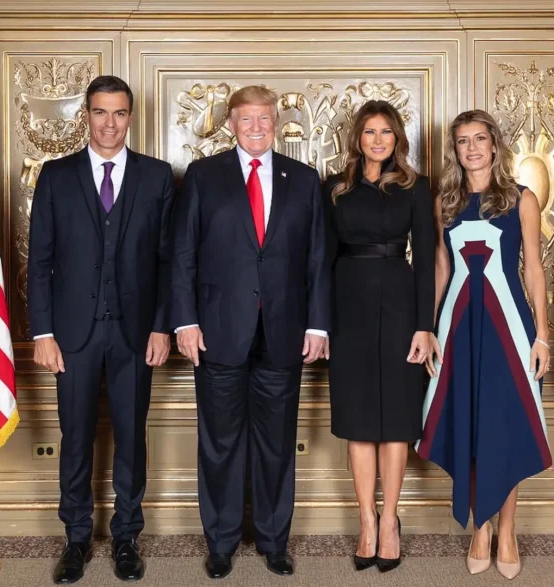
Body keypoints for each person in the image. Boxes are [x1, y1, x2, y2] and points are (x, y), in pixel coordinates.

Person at [170, 85, 330, 580]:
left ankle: (274, 541)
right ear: (231, 124)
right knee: (219, 444)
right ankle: (220, 543)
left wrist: (318, 324)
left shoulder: (304, 179)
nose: (256, 127)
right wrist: (185, 321)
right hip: (217, 331)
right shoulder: (203, 176)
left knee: (277, 444)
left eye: (264, 118)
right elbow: (182, 254)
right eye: (246, 119)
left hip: (284, 331)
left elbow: (318, 258)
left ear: (275, 124)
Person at [27, 75, 175, 584]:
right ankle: (76, 538)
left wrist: (162, 327)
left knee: (132, 437)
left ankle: (127, 536)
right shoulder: (56, 175)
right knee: (76, 437)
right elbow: (39, 261)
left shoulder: (157, 177)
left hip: (136, 332)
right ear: (85, 115)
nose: (109, 123)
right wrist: (42, 333)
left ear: (130, 116)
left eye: (119, 113)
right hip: (72, 334)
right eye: (99, 112)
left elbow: (167, 260)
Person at [416, 110, 553, 580]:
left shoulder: (521, 199)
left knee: (505, 426)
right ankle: (481, 527)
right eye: (462, 141)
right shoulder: (444, 202)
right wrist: (430, 328)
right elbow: (441, 268)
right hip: (458, 326)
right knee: (469, 423)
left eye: (479, 139)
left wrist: (542, 335)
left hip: (508, 328)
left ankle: (507, 530)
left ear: (494, 144)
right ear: (454, 150)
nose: (472, 148)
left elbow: (534, 269)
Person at [322, 100, 437, 573]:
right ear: (358, 138)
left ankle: (390, 520)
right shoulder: (335, 188)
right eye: (369, 131)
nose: (377, 140)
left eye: (386, 132)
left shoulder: (416, 187)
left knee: (396, 419)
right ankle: (365, 520)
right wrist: (320, 323)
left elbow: (426, 259)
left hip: (400, 305)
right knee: (359, 419)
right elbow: (322, 259)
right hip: (347, 305)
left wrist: (425, 326)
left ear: (397, 139)